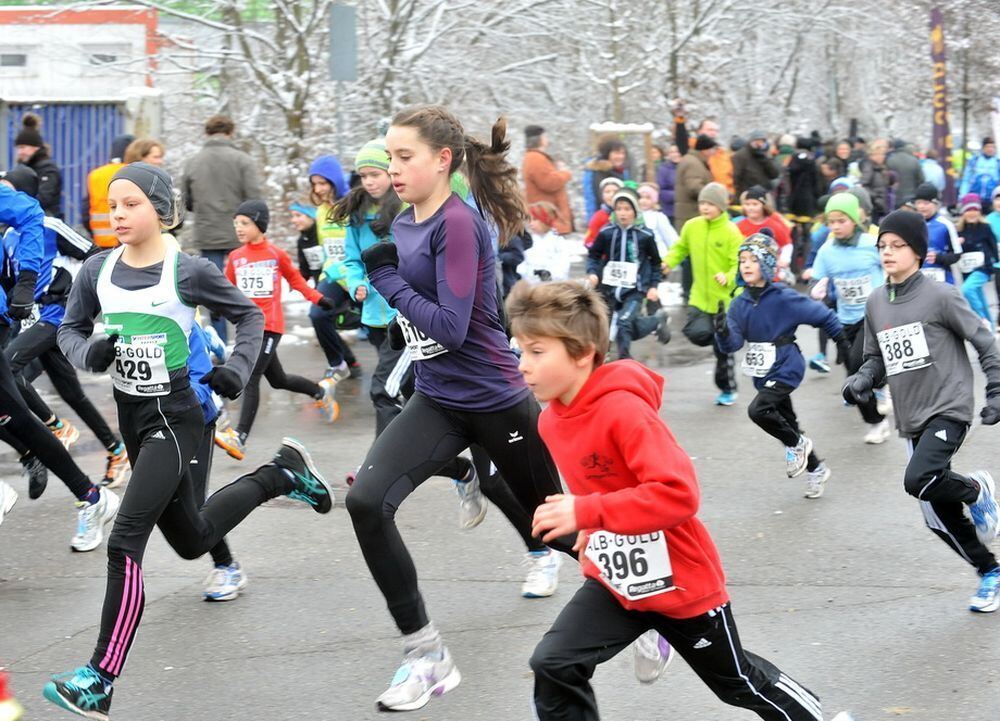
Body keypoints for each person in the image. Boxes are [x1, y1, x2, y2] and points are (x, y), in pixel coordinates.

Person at [47, 162, 335, 720]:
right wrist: (91, 354)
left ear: (160, 208)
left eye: (131, 203)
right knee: (192, 538)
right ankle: (282, 473)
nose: (119, 214)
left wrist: (239, 369)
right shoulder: (97, 270)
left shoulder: (188, 270)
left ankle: (99, 678)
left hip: (177, 418)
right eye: (113, 205)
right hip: (135, 418)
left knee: (124, 538)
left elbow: (249, 318)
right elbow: (69, 330)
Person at [507, 280, 839, 721]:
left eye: (536, 351)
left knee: (738, 684)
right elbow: (602, 487)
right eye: (520, 350)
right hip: (616, 580)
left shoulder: (623, 411)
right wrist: (591, 527)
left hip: (681, 583)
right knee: (553, 663)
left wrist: (586, 511)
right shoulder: (551, 421)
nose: (522, 365)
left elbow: (678, 494)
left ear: (582, 353)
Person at [346, 106, 575, 712]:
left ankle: (653, 606)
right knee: (366, 502)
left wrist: (387, 281)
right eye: (388, 157)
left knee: (562, 531)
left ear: (442, 160)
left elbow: (448, 326)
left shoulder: (460, 224)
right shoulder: (404, 219)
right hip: (439, 398)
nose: (392, 169)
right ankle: (425, 656)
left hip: (497, 403)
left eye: (404, 157)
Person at [845, 209, 1000, 613]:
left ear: (918, 251)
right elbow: (874, 358)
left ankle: (977, 489)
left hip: (949, 406)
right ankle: (990, 572)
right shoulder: (877, 301)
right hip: (910, 414)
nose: (888, 252)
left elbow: (984, 341)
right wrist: (863, 380)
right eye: (882, 246)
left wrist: (996, 390)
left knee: (919, 478)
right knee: (936, 515)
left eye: (897, 245)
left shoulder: (941, 295)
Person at [0, 171, 119, 549]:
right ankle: (92, 492)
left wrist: (35, 284)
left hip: (54, 315)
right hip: (28, 318)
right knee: (46, 402)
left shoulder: (42, 222)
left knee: (18, 379)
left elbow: (91, 252)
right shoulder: (7, 238)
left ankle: (69, 450)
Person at [715, 234, 843, 498]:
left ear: (767, 264)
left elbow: (824, 316)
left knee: (759, 410)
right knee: (787, 422)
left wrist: (844, 344)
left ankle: (799, 444)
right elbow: (733, 345)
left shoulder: (783, 297)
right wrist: (722, 332)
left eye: (753, 259)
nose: (746, 265)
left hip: (787, 365)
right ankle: (816, 468)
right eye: (742, 260)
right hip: (762, 373)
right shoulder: (739, 304)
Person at [213, 199, 340, 460]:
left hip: (269, 325)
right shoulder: (236, 258)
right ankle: (319, 391)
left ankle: (240, 438)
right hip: (247, 328)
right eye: (236, 224)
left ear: (260, 225)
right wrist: (218, 307)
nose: (239, 228)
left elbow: (295, 280)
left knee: (250, 377)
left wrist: (319, 299)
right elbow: (227, 288)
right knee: (278, 379)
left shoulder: (275, 254)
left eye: (245, 223)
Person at [810, 193, 890, 443]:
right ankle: (876, 421)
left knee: (857, 368)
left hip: (874, 315)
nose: (835, 226)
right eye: (831, 222)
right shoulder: (827, 251)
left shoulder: (871, 243)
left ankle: (880, 387)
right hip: (846, 320)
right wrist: (817, 287)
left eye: (841, 220)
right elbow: (817, 276)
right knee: (852, 380)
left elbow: (894, 265)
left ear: (854, 219)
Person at [182, 115, 262, 342]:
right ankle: (251, 339)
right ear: (230, 133)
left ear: (207, 133)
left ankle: (220, 343)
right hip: (241, 234)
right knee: (248, 289)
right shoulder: (243, 160)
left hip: (208, 234)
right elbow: (255, 199)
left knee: (214, 292)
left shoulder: (193, 162)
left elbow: (186, 202)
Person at [663, 182, 743, 405]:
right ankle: (721, 339)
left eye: (710, 204)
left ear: (721, 206)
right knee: (696, 333)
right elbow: (680, 248)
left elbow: (739, 263)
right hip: (699, 295)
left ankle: (728, 388)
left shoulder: (730, 231)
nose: (705, 207)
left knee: (722, 352)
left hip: (724, 301)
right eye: (702, 203)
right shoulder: (692, 226)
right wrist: (668, 263)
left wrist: (727, 276)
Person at [587, 187, 670, 360]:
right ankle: (655, 321)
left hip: (634, 290)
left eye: (627, 209)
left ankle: (625, 362)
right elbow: (593, 255)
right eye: (618, 209)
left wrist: (653, 286)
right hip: (609, 288)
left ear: (635, 211)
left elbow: (655, 263)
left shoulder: (645, 235)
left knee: (624, 323)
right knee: (605, 326)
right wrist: (593, 273)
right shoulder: (606, 232)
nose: (622, 213)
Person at [308, 153, 362, 379]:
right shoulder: (320, 211)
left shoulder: (353, 205)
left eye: (323, 182)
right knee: (317, 314)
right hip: (333, 275)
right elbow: (326, 248)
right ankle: (340, 362)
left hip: (357, 274)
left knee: (379, 326)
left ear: (335, 181)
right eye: (314, 184)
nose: (318, 189)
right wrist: (322, 275)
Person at [954, 194, 999, 329]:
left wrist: (993, 264)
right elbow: (954, 251)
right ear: (963, 213)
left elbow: (993, 247)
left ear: (979, 211)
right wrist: (958, 244)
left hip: (983, 268)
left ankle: (981, 319)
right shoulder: (959, 231)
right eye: (968, 210)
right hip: (967, 270)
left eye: (975, 210)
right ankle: (989, 328)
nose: (972, 213)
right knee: (980, 297)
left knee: (967, 290)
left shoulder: (985, 227)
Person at [83, 134, 134, 248]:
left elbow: (85, 210)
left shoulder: (95, 174)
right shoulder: (133, 172)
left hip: (101, 243)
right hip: (128, 241)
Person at [521, 125, 573, 234]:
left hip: (548, 218)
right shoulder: (535, 158)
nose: (547, 139)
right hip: (547, 219)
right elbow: (549, 183)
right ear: (539, 139)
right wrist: (565, 173)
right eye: (545, 136)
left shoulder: (535, 157)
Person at [13, 113, 62, 217]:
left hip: (45, 223)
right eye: (18, 148)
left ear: (35, 147)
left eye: (23, 147)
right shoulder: (22, 169)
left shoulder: (48, 169)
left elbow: (44, 198)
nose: (19, 152)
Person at [737, 186, 793, 273]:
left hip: (770, 272)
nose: (750, 208)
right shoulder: (739, 226)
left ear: (764, 206)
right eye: (747, 204)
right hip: (746, 270)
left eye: (755, 204)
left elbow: (786, 244)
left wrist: (784, 260)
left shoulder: (774, 225)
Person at [913, 183, 961, 284]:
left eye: (926, 203)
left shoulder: (946, 224)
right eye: (918, 203)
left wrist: (939, 258)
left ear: (936, 204)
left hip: (943, 280)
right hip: (918, 281)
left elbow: (957, 254)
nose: (921, 206)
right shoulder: (911, 225)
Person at [520, 201, 571, 283]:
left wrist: (549, 274)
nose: (530, 223)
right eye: (529, 219)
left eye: (535, 219)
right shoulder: (528, 241)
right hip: (530, 285)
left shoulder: (558, 241)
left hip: (553, 286)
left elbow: (563, 266)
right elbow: (522, 263)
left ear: (545, 220)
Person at [584, 137, 629, 221]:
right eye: (616, 153)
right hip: (603, 219)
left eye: (623, 153)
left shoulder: (621, 171)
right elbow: (595, 199)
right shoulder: (599, 171)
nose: (621, 156)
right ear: (607, 154)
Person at [636, 182, 678, 258]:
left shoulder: (658, 217)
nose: (643, 201)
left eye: (648, 198)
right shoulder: (634, 216)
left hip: (657, 256)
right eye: (640, 197)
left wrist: (674, 256)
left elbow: (670, 237)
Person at [732, 130, 779, 197]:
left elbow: (774, 174)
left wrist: (765, 160)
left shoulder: (764, 155)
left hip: (764, 193)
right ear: (751, 141)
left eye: (762, 142)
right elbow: (736, 177)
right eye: (757, 141)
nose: (759, 144)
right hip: (748, 195)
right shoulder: (740, 155)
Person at [859, 139, 894, 222]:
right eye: (881, 154)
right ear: (873, 155)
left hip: (879, 206)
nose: (883, 157)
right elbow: (863, 185)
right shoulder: (869, 168)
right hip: (874, 207)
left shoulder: (880, 168)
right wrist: (876, 198)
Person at [583, 176, 624, 247]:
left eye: (615, 191)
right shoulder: (599, 216)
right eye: (607, 192)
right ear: (602, 195)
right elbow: (589, 240)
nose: (611, 195)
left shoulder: (629, 214)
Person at [958, 137, 1000, 204]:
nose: (990, 149)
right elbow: (966, 179)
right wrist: (962, 195)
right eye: (988, 147)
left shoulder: (997, 162)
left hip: (992, 200)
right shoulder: (974, 161)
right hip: (975, 198)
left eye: (992, 147)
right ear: (983, 148)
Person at [290, 201, 323, 283]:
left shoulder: (324, 234)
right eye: (292, 216)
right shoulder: (302, 241)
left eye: (298, 215)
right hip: (320, 288)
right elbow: (304, 272)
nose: (293, 220)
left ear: (311, 216)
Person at [886, 140, 923, 208]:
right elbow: (921, 180)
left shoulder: (889, 160)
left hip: (895, 197)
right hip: (911, 196)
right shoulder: (914, 160)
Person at [655, 143, 681, 225]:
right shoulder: (663, 169)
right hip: (669, 211)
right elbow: (661, 191)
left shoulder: (689, 166)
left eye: (677, 151)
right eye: (672, 152)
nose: (675, 154)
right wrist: (679, 195)